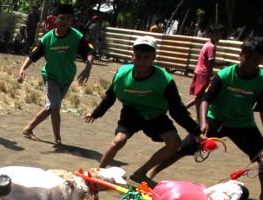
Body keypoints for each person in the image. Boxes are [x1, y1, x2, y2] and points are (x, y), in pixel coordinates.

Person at [148, 36, 263, 200]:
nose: (250, 63)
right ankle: (151, 173)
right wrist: (203, 123)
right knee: (184, 147)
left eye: (256, 60)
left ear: (262, 60)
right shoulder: (225, 75)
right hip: (215, 119)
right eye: (248, 58)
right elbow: (206, 99)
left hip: (243, 124)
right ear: (241, 55)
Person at [85, 36, 205, 186]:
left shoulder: (164, 79)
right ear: (132, 56)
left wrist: (196, 132)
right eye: (138, 57)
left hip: (155, 114)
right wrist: (96, 113)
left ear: (154, 57)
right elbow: (110, 97)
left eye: (147, 57)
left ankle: (140, 173)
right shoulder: (122, 74)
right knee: (118, 141)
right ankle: (98, 173)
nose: (142, 62)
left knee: (174, 143)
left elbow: (177, 109)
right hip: (131, 112)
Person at [17, 3, 95, 147]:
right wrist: (22, 69)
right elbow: (33, 55)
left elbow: (90, 51)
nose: (65, 21)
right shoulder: (47, 38)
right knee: (55, 106)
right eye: (62, 18)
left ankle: (28, 129)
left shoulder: (76, 37)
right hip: (50, 76)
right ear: (55, 19)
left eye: (69, 19)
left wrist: (88, 67)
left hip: (67, 77)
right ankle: (57, 139)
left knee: (51, 106)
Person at [185, 25, 224, 115]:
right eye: (217, 35)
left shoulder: (206, 44)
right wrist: (224, 65)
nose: (219, 37)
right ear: (212, 35)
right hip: (204, 73)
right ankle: (199, 117)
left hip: (199, 71)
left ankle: (184, 108)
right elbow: (211, 62)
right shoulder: (211, 47)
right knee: (201, 97)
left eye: (220, 35)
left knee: (200, 95)